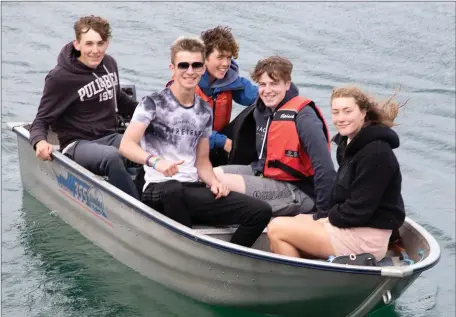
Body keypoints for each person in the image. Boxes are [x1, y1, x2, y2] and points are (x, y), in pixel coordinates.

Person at [119, 36, 272, 248]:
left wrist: (215, 182)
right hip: (157, 188)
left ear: (202, 69)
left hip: (191, 188)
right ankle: (188, 249)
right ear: (172, 68)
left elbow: (201, 162)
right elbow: (126, 145)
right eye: (184, 65)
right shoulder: (152, 103)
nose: (190, 71)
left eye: (196, 65)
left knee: (261, 211)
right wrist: (156, 162)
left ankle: (224, 261)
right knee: (173, 189)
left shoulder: (203, 110)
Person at [266, 86, 406, 261]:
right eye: (336, 112)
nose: (341, 119)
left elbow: (360, 208)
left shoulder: (376, 153)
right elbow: (343, 197)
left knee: (277, 229)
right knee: (285, 229)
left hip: (366, 237)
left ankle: (301, 283)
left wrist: (328, 219)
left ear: (363, 113)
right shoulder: (349, 145)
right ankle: (309, 277)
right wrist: (322, 217)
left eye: (347, 111)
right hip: (349, 225)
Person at [29, 15, 140, 199]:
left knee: (148, 144)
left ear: (107, 43)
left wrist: (154, 115)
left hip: (110, 136)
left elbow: (119, 99)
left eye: (100, 43)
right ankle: (138, 209)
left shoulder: (109, 64)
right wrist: (39, 142)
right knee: (112, 157)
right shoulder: (60, 78)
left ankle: (149, 197)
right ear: (77, 44)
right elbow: (41, 120)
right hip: (77, 144)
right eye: (89, 44)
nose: (95, 50)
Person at [213, 56, 336, 216]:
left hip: (299, 189)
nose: (267, 90)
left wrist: (324, 214)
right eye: (263, 84)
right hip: (265, 173)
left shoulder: (304, 117)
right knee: (209, 175)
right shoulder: (262, 111)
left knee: (221, 182)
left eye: (274, 83)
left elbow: (325, 168)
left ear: (287, 84)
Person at [198, 26, 258, 154]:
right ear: (204, 57)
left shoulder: (230, 80)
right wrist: (223, 141)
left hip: (217, 145)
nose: (226, 63)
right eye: (220, 57)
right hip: (190, 145)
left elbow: (257, 95)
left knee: (261, 106)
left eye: (229, 57)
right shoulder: (187, 82)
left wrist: (283, 92)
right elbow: (185, 128)